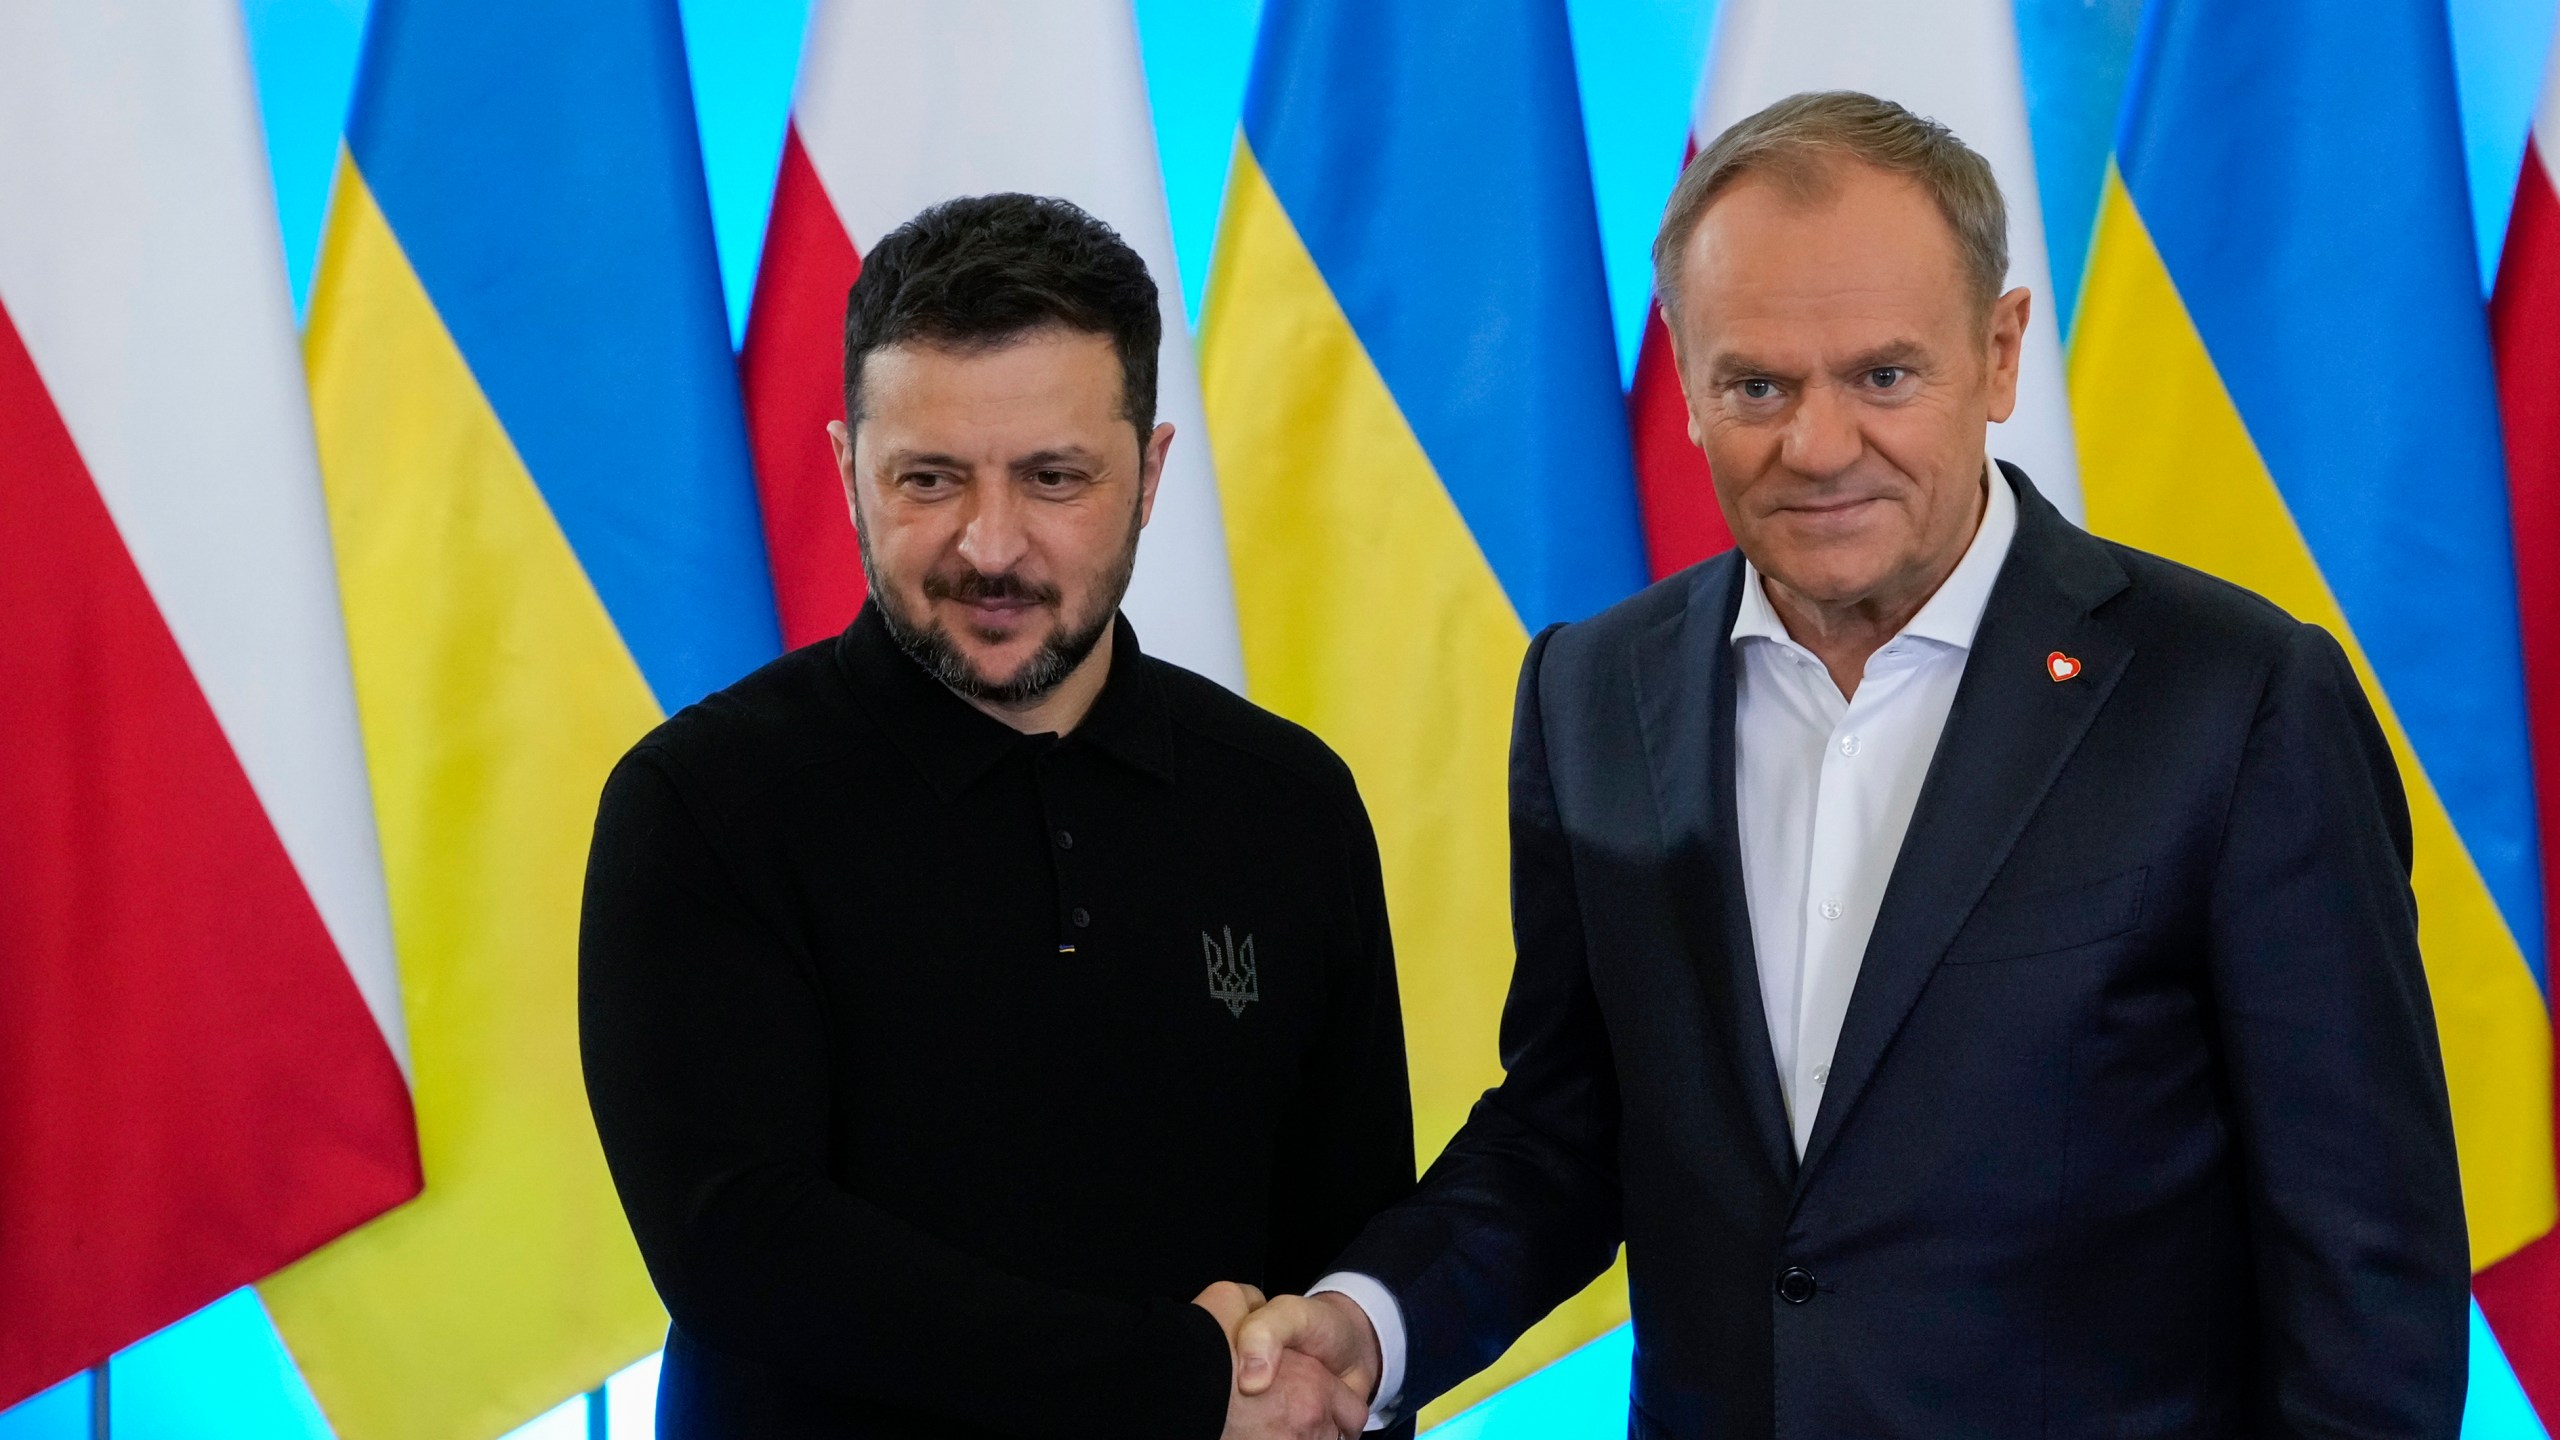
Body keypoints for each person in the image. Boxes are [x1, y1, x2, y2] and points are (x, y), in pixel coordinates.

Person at [1233, 90, 2470, 1438]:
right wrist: (1366, 1327)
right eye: (1757, 385)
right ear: (1686, 376)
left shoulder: (2233, 700)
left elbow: (2364, 1261)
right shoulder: (1597, 691)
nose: (1819, 448)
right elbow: (1571, 1132)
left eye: (1884, 376)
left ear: (2000, 356)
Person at [580, 192, 1411, 1439]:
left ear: (1151, 474)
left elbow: (1343, 1265)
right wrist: (1174, 1384)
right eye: (928, 479)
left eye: (1053, 477)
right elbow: (744, 1253)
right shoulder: (701, 804)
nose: (990, 541)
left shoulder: (1289, 805)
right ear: (846, 469)